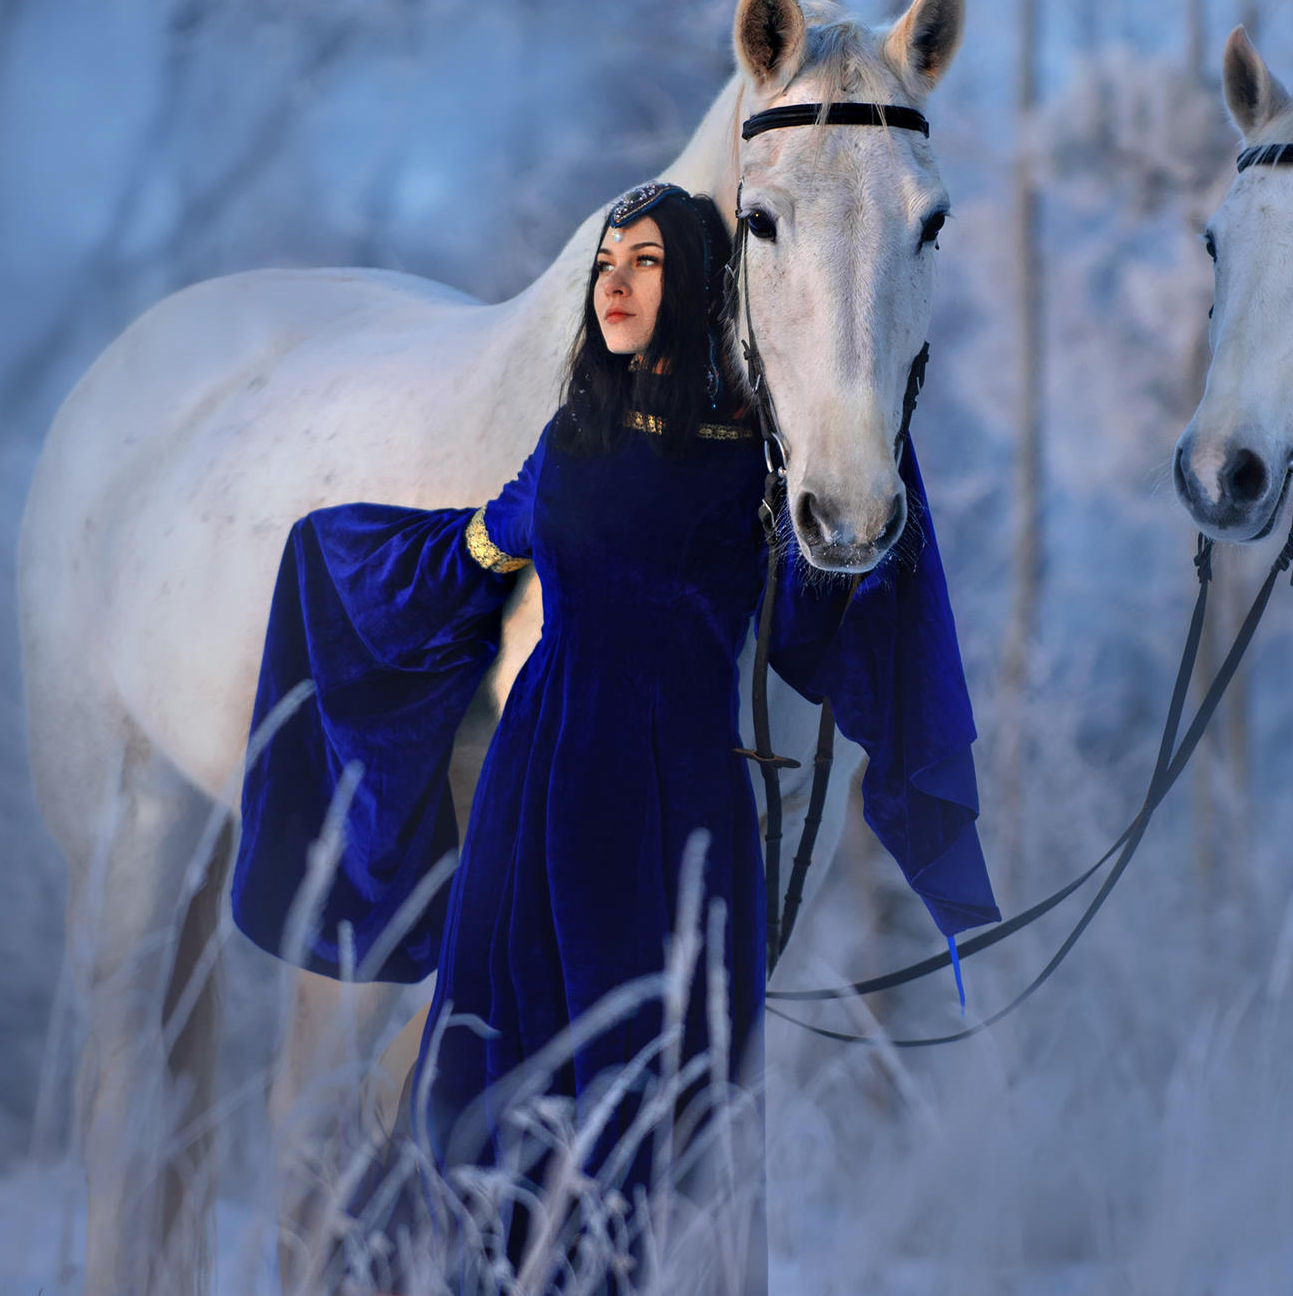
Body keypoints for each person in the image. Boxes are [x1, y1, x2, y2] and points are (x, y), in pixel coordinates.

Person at [229, 180, 998, 1277]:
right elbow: (473, 550)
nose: (617, 284)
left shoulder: (755, 456)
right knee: (488, 1067)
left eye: (646, 262)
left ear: (697, 283)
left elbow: (819, 611)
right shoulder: (572, 437)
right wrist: (338, 555)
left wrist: (866, 450)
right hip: (533, 788)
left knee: (656, 1085)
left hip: (677, 800)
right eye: (605, 264)